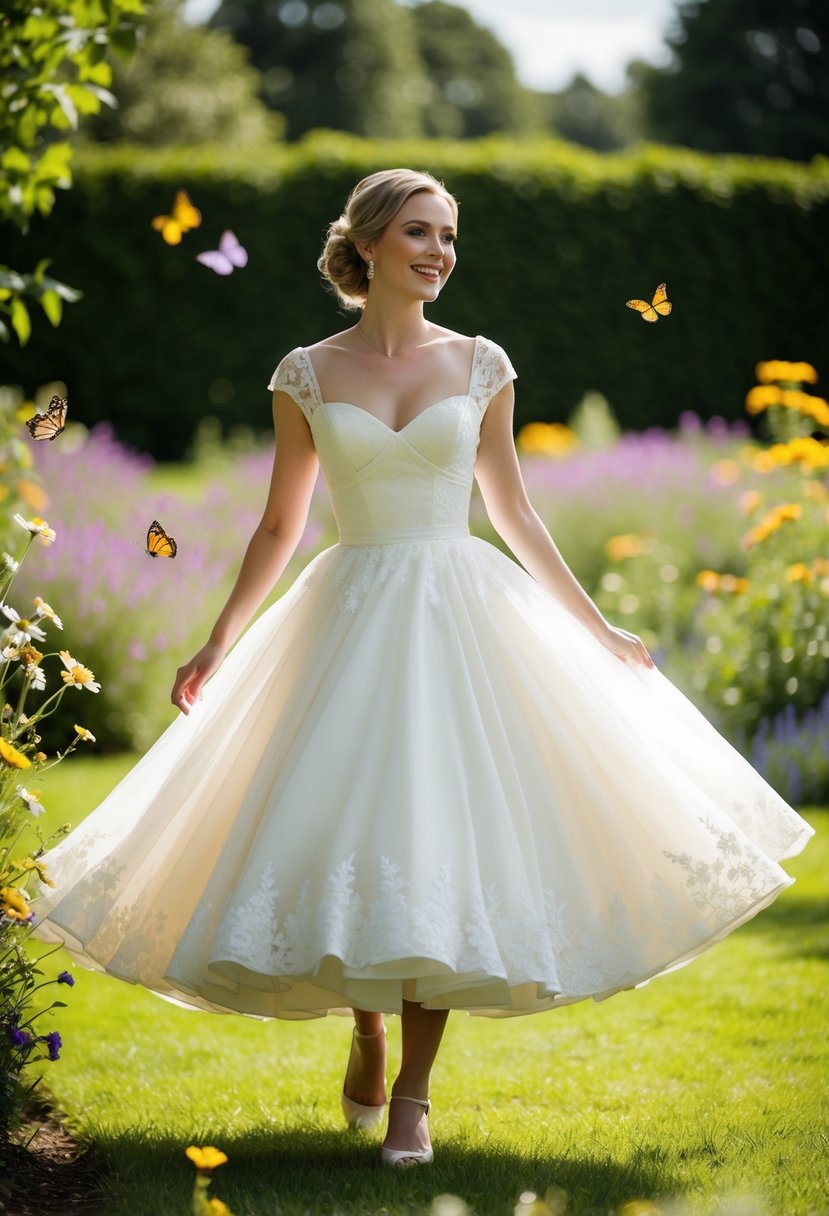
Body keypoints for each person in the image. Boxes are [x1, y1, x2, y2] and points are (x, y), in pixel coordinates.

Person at [34, 168, 813, 1168]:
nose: (438, 252)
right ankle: (363, 1021)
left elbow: (513, 511)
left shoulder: (483, 363)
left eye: (448, 235)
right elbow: (282, 522)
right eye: (418, 232)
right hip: (345, 614)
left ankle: (412, 1096)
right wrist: (220, 636)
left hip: (461, 615)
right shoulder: (306, 374)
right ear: (365, 245)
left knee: (441, 841)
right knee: (340, 825)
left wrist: (597, 628)